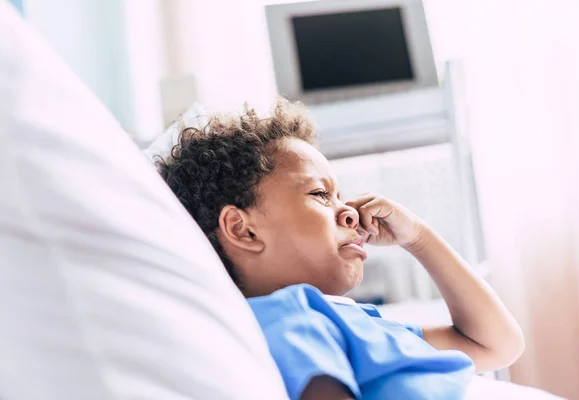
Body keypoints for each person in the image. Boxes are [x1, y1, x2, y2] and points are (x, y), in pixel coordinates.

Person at [157, 99, 525, 400]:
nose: (349, 211)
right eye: (320, 194)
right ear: (244, 230)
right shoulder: (284, 316)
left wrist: (419, 238)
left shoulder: (352, 320)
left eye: (340, 196)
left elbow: (496, 344)